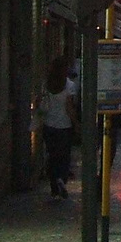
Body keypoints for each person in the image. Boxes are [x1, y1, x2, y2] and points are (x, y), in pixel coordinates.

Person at [41, 56, 79, 198]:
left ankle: (54, 185)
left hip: (49, 125)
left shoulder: (47, 84)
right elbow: (69, 108)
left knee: (52, 155)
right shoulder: (69, 86)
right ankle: (61, 179)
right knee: (64, 156)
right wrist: (76, 124)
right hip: (64, 126)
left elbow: (41, 102)